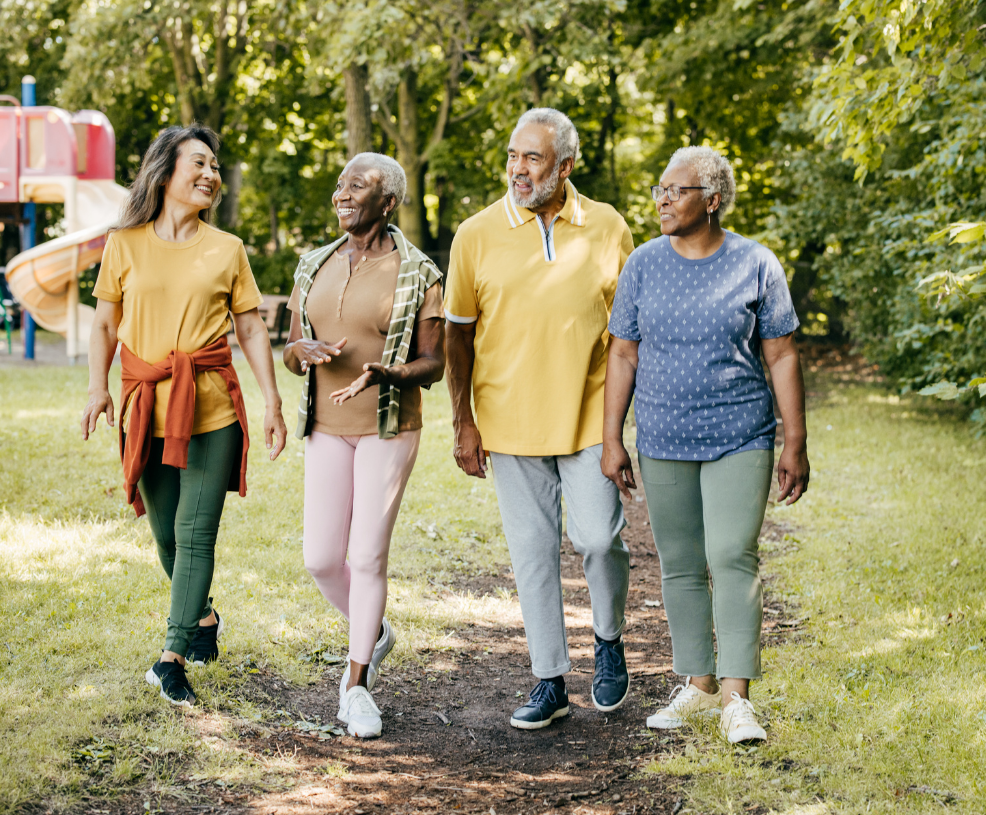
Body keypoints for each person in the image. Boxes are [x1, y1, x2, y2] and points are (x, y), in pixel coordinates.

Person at [601, 146, 809, 745]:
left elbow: (782, 353)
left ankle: (737, 697)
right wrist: (611, 437)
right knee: (682, 565)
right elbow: (623, 352)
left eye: (677, 190)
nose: (662, 200)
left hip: (740, 434)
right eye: (660, 189)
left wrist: (794, 440)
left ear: (712, 201)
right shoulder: (642, 265)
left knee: (731, 556)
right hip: (663, 438)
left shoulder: (756, 263)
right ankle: (698, 684)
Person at [80, 125, 287, 708]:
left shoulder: (227, 248)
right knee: (167, 534)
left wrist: (271, 401)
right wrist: (98, 389)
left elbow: (249, 327)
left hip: (211, 409)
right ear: (165, 171)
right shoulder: (124, 244)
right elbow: (103, 324)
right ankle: (204, 618)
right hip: (145, 407)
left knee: (196, 534)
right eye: (199, 162)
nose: (210, 174)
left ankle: (170, 658)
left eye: (215, 166)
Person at [445, 108, 636, 730]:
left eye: (532, 159)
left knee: (599, 540)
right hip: (509, 421)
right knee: (532, 553)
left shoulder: (606, 227)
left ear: (565, 167)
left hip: (588, 417)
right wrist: (464, 422)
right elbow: (458, 337)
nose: (518, 170)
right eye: (512, 156)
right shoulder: (476, 233)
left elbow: (629, 334)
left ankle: (607, 641)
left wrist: (621, 428)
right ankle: (549, 678)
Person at [283, 152, 444, 740]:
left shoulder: (419, 273)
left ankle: (356, 686)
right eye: (340, 185)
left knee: (368, 554)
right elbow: (292, 346)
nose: (342, 194)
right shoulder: (312, 264)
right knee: (322, 558)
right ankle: (372, 630)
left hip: (388, 426)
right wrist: (301, 353)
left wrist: (390, 373)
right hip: (326, 425)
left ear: (389, 200)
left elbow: (434, 363)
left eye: (358, 186)